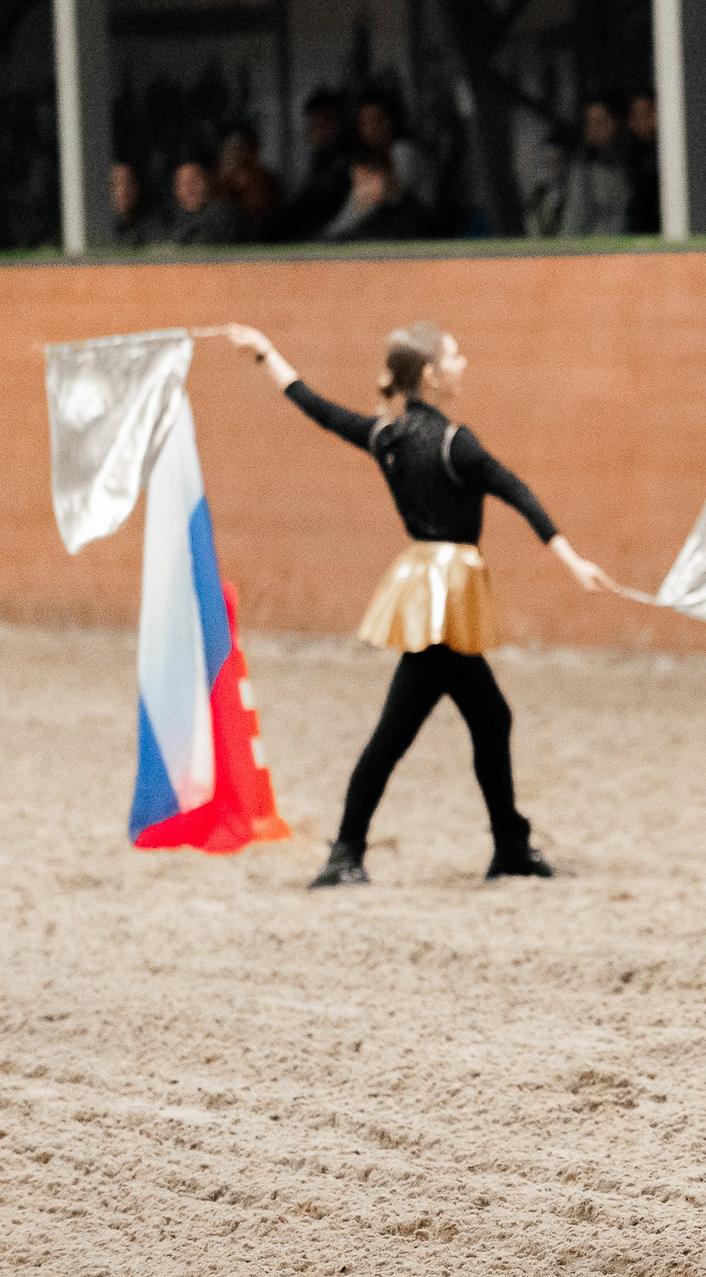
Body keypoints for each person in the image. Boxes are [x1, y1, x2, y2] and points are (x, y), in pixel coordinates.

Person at [214, 320, 625, 888]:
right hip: (446, 597)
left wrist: (266, 354)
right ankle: (359, 852)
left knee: (475, 720)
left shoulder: (387, 436)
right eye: (454, 358)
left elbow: (316, 406)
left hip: (426, 590)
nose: (463, 366)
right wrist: (572, 558)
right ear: (430, 376)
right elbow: (517, 491)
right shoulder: (458, 443)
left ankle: (492, 845)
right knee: (409, 731)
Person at [286, 88, 358, 240]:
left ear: (341, 122)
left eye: (326, 123)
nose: (320, 132)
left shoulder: (352, 161)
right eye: (313, 126)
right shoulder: (318, 161)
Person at [560, 94, 636, 237]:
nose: (595, 130)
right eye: (590, 123)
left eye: (601, 121)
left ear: (620, 121)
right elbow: (572, 227)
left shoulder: (639, 166)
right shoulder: (582, 174)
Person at [323, 150, 432, 242]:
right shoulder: (360, 210)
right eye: (358, 185)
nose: (362, 191)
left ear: (386, 174)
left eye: (367, 181)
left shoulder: (409, 215)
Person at [358, 94, 434, 213]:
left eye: (375, 120)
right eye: (365, 123)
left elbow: (393, 200)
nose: (371, 128)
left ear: (390, 121)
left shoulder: (403, 151)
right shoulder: (377, 157)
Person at [214, 123, 285, 242]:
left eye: (239, 151)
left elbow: (263, 224)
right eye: (228, 151)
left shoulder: (264, 182)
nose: (232, 157)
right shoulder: (219, 185)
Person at [164, 156, 242, 246]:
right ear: (176, 189)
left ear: (207, 183)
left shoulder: (223, 214)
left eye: (195, 181)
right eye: (184, 183)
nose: (190, 188)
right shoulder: (166, 219)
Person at [620, 91, 662, 236]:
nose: (642, 121)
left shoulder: (672, 156)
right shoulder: (626, 156)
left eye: (647, 114)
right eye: (636, 115)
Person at [110, 158, 162, 246]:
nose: (124, 191)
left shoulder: (154, 229)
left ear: (137, 188)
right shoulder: (97, 229)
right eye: (117, 184)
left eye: (129, 183)